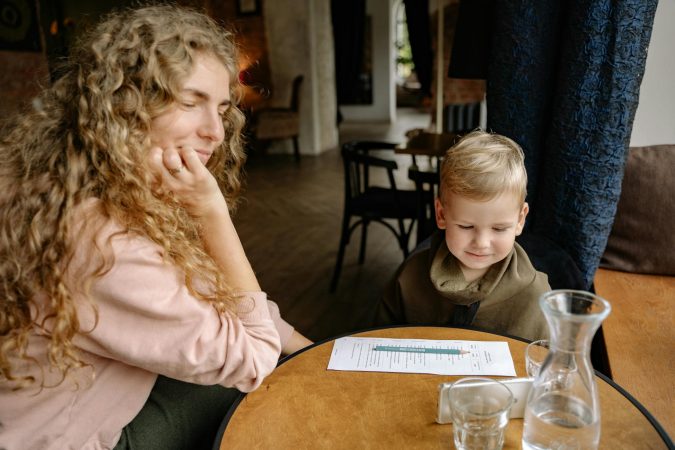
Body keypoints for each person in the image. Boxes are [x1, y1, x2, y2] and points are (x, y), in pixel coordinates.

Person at [0, 5, 311, 450]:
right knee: (256, 387)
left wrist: (312, 348)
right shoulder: (98, 240)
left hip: (64, 407)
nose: (216, 133)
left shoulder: (68, 182)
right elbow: (253, 351)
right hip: (64, 439)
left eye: (222, 108)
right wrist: (211, 212)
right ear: (125, 105)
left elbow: (216, 295)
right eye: (190, 102)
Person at [374, 130, 551, 341]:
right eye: (466, 227)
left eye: (499, 228)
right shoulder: (410, 277)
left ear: (520, 220)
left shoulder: (534, 294)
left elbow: (544, 364)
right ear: (441, 215)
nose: (481, 243)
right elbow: (377, 340)